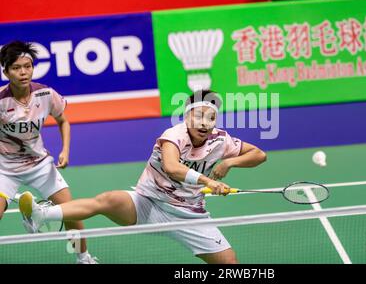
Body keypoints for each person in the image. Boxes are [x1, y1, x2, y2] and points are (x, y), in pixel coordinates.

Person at [19, 90, 267, 264]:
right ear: (187, 116)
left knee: (229, 263)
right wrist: (208, 181)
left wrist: (230, 162)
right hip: (149, 203)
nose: (205, 123)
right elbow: (172, 167)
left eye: (211, 118)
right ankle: (41, 215)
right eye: (199, 116)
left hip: (190, 215)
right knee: (108, 199)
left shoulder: (221, 140)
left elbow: (259, 155)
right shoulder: (174, 135)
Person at [0, 41, 97, 264]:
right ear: (5, 72)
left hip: (40, 165)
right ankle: (32, 212)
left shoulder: (45, 94)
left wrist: (65, 150)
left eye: (27, 66)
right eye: (16, 68)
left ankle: (84, 258)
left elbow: (63, 121)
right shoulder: (1, 102)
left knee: (72, 212)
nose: (23, 72)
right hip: (5, 168)